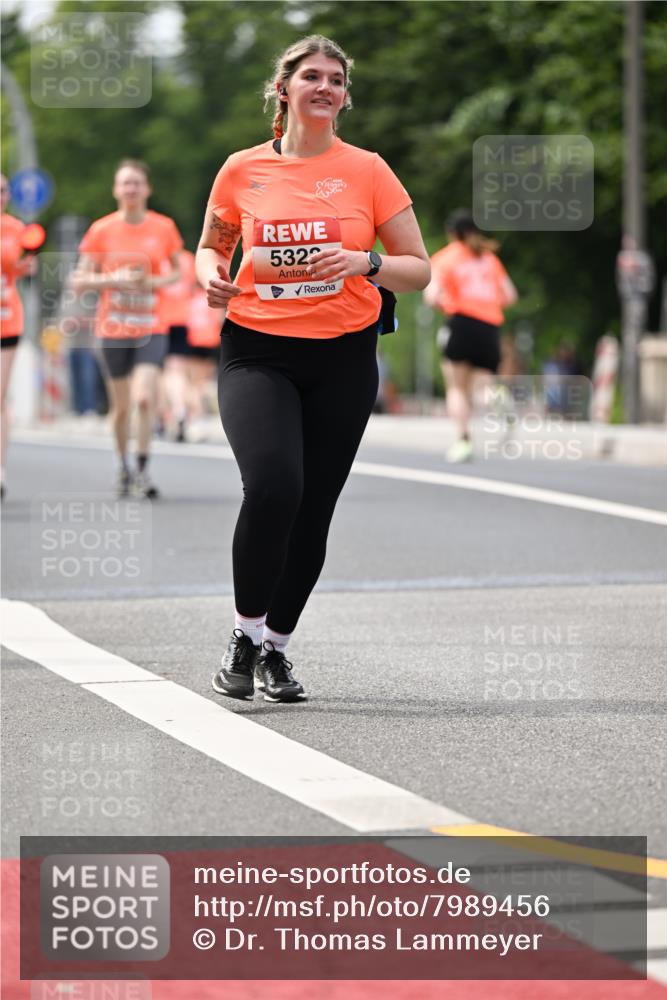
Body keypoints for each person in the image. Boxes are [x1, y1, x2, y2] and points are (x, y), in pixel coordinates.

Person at [196, 35, 430, 703]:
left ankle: (276, 648)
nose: (324, 86)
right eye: (310, 76)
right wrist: (212, 278)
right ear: (284, 89)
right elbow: (210, 249)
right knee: (273, 485)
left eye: (335, 79)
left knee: (313, 509)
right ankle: (243, 633)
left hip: (342, 356)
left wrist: (366, 263)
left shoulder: (369, 171)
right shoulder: (241, 169)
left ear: (344, 96)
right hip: (257, 350)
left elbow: (419, 267)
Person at [72, 160, 183, 497]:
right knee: (122, 407)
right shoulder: (102, 230)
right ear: (116, 190)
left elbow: (177, 272)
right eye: (124, 184)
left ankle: (142, 470)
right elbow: (79, 280)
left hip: (151, 327)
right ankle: (121, 465)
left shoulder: (163, 227)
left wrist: (151, 281)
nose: (131, 189)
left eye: (136, 183)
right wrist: (113, 279)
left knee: (145, 398)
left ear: (147, 189)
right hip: (113, 329)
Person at [424, 210, 517, 462]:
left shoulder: (446, 258)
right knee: (483, 385)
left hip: (461, 322)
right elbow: (510, 295)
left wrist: (449, 305)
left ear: (452, 233)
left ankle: (463, 441)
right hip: (489, 326)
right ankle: (498, 399)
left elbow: (431, 296)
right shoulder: (488, 259)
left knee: (456, 388)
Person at [1, 173, 38, 499]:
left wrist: (29, 265)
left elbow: (26, 267)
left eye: (2, 191)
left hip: (6, 319)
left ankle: (0, 470)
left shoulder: (16, 230)